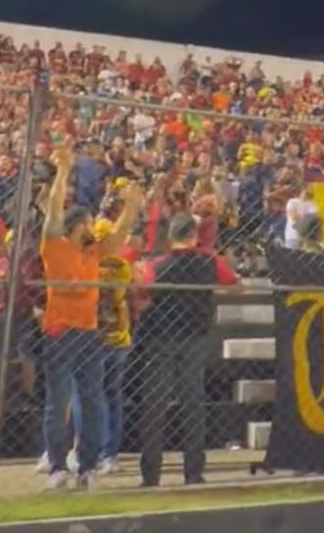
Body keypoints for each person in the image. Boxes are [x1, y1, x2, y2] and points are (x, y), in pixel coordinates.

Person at [39, 144, 142, 490]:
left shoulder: (92, 253)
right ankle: (56, 465)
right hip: (60, 329)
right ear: (77, 225)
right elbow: (53, 210)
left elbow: (118, 236)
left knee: (93, 400)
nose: (92, 230)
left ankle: (86, 467)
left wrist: (132, 204)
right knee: (59, 401)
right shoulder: (55, 245)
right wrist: (64, 171)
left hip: (88, 331)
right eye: (87, 224)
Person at [136, 213, 238, 487]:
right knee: (193, 405)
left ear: (171, 237)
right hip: (194, 335)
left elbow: (142, 295)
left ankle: (151, 474)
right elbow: (233, 283)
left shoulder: (156, 265)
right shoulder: (209, 261)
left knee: (154, 407)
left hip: (160, 338)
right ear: (194, 236)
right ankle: (193, 471)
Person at [69, 219, 134, 476]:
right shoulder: (122, 265)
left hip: (91, 335)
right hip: (118, 335)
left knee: (85, 396)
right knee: (111, 396)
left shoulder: (87, 263)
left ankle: (88, 451)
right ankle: (109, 453)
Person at [284, 183, 318, 249]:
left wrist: (304, 219)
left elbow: (313, 219)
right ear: (301, 191)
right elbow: (293, 216)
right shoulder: (292, 202)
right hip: (292, 236)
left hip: (307, 239)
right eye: (306, 191)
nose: (309, 192)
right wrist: (306, 219)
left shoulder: (312, 204)